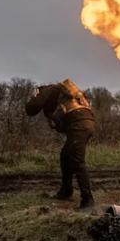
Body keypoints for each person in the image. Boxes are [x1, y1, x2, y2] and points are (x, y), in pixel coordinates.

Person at [25, 78, 96, 209]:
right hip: (85, 122)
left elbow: (31, 109)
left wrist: (34, 96)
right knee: (65, 156)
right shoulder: (64, 93)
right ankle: (66, 191)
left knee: (77, 161)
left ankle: (88, 200)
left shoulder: (49, 89)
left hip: (79, 124)